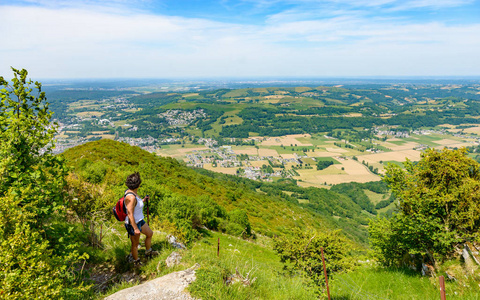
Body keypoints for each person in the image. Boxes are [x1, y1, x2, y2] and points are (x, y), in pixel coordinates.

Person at [124, 172, 157, 265]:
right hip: (133, 223)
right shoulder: (131, 197)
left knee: (150, 233)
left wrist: (143, 200)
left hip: (139, 220)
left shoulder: (132, 192)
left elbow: (134, 206)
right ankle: (136, 262)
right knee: (135, 244)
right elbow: (130, 213)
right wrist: (135, 228)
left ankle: (148, 252)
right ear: (138, 184)